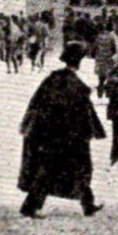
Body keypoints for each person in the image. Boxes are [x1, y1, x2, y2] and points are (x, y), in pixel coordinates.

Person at [17, 41, 106, 218]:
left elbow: (36, 104)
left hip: (49, 134)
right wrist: (91, 131)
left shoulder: (53, 79)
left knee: (50, 170)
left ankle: (87, 204)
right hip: (71, 136)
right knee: (78, 169)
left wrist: (29, 125)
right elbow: (84, 112)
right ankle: (30, 207)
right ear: (78, 61)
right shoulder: (76, 86)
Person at [93, 24, 118, 95]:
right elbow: (116, 48)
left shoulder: (99, 35)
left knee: (101, 75)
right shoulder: (114, 36)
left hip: (100, 58)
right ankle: (108, 92)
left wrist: (95, 55)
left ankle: (100, 86)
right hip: (109, 58)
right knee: (110, 75)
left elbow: (95, 46)